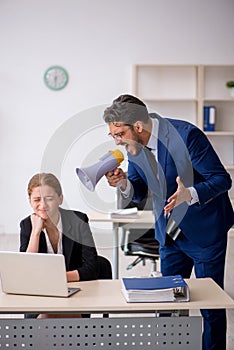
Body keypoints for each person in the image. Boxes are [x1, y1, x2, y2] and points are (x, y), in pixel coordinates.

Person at [103, 94, 234, 350]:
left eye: (119, 133)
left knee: (210, 308)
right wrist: (123, 183)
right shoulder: (135, 147)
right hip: (170, 236)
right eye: (113, 135)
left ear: (138, 126)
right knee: (167, 303)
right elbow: (139, 190)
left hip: (204, 232)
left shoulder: (186, 136)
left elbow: (221, 180)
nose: (117, 141)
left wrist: (191, 194)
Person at [20, 172, 98, 318]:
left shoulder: (78, 221)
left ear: (60, 199)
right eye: (36, 199)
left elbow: (92, 268)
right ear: (30, 201)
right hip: (39, 296)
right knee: (44, 319)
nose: (42, 205)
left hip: (76, 293)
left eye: (49, 199)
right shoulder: (26, 225)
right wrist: (36, 233)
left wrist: (56, 279)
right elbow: (26, 272)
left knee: (60, 318)